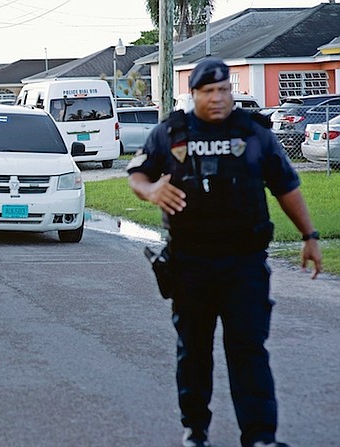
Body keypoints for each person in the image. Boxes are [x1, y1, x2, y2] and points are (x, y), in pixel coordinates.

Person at [127, 57, 322, 447]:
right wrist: (151, 191)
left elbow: (285, 185)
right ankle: (195, 432)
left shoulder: (254, 134)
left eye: (224, 90)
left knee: (248, 349)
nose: (218, 98)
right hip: (190, 264)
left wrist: (309, 235)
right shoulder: (171, 134)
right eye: (209, 91)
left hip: (244, 264)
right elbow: (138, 173)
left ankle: (261, 437)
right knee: (194, 352)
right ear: (194, 94)